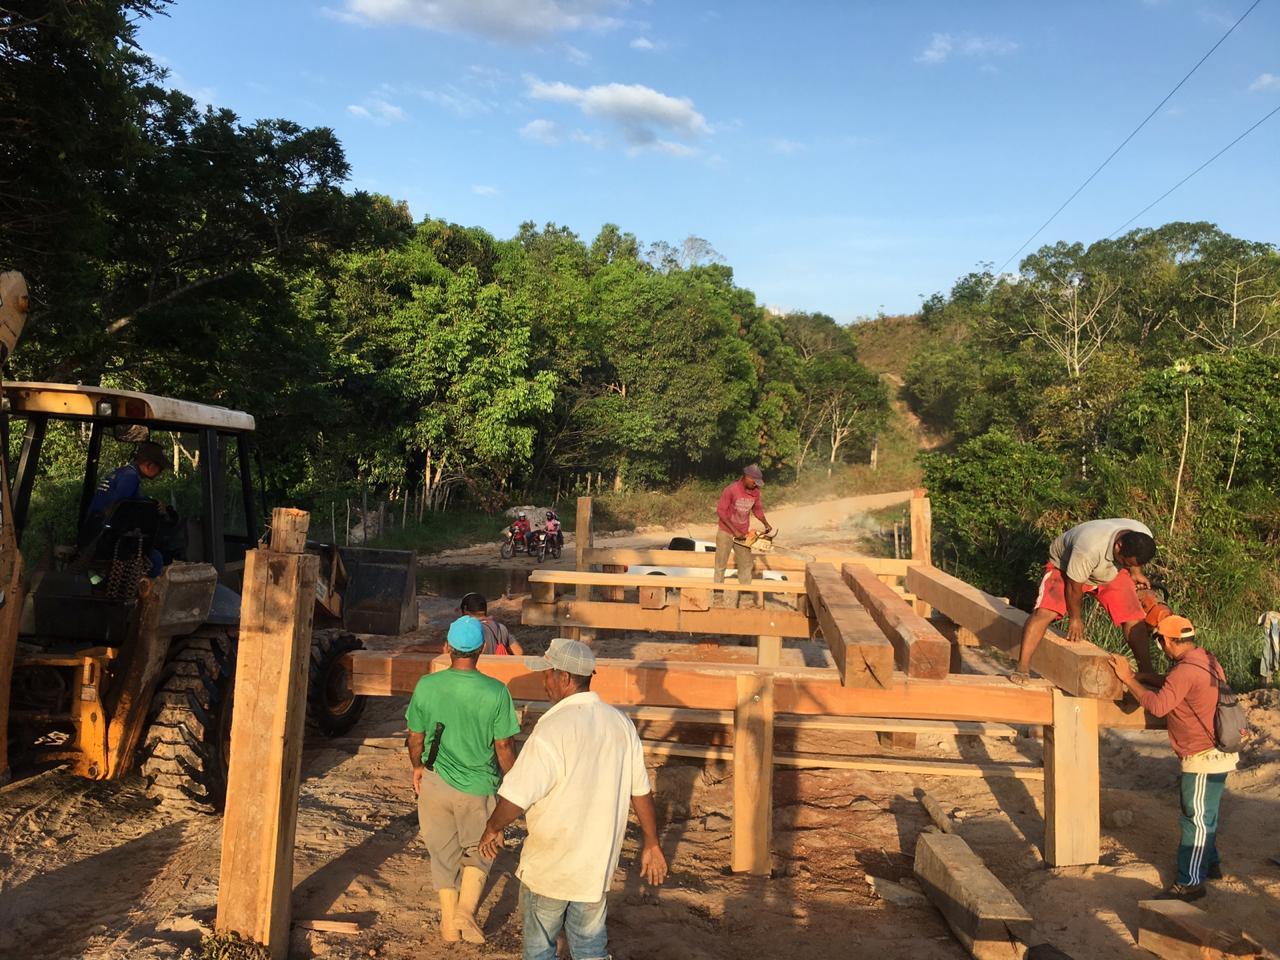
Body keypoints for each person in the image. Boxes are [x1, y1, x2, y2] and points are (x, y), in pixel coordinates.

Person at [478, 638, 668, 960]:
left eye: (548, 673)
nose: (544, 680)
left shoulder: (551, 727)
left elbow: (517, 796)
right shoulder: (620, 724)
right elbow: (641, 791)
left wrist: (492, 827)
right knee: (591, 947)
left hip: (552, 866)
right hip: (595, 866)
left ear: (564, 678)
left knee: (540, 948)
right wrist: (651, 842)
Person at [406, 616, 521, 943]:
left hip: (434, 781)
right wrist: (512, 784)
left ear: (447, 647)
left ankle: (447, 922)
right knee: (482, 847)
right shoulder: (497, 692)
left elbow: (416, 736)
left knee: (442, 853)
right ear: (482, 649)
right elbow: (503, 746)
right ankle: (466, 911)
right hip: (478, 786)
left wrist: (417, 767)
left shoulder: (427, 686)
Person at [1110, 616, 1238, 902]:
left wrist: (1129, 679)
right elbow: (1177, 684)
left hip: (1203, 756)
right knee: (1207, 814)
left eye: (1160, 641)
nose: (1160, 647)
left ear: (1167, 641)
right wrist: (1148, 678)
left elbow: (1158, 705)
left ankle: (1191, 882)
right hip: (1215, 752)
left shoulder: (1184, 672)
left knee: (1195, 819)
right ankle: (1211, 863)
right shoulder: (1205, 659)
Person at [1012, 518, 1157, 684]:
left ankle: (1147, 672)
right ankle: (1022, 666)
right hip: (1066, 568)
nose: (1128, 565)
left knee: (1134, 617)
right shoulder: (1089, 547)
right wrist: (1075, 618)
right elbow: (1074, 587)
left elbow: (1135, 559)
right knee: (1045, 612)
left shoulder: (1142, 534)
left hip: (1107, 571)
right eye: (1127, 563)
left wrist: (1135, 572)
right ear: (1119, 546)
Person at [83, 441, 170, 576]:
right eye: (161, 468)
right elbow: (120, 508)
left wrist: (149, 501)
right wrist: (153, 506)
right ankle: (150, 594)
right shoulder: (130, 478)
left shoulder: (122, 473)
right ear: (149, 465)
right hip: (104, 539)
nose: (161, 472)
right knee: (155, 559)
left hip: (95, 532)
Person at [714, 464, 773, 606]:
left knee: (746, 565)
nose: (755, 485)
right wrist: (734, 531)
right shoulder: (731, 490)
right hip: (726, 532)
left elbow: (757, 510)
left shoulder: (755, 492)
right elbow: (721, 512)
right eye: (754, 482)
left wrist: (766, 523)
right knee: (720, 565)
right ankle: (717, 597)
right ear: (747, 477)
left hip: (744, 534)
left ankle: (746, 599)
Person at [459, 591, 524, 656]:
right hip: (498, 665)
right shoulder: (501, 628)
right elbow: (519, 652)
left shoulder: (466, 630)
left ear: (465, 610)